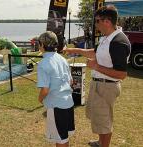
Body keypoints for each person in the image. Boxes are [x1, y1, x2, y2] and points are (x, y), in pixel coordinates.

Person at [63, 5, 131, 147]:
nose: (96, 24)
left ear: (107, 21)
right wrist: (72, 50)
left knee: (104, 121)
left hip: (107, 86)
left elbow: (122, 74)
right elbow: (94, 53)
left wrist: (96, 66)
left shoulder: (118, 42)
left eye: (97, 21)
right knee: (99, 118)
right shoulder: (107, 38)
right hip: (100, 84)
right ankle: (101, 142)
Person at [37, 31, 75, 147]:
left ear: (42, 45)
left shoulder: (43, 63)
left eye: (39, 43)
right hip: (68, 103)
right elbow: (71, 81)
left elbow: (45, 90)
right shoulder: (63, 60)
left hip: (56, 106)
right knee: (64, 137)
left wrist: (40, 99)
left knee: (60, 139)